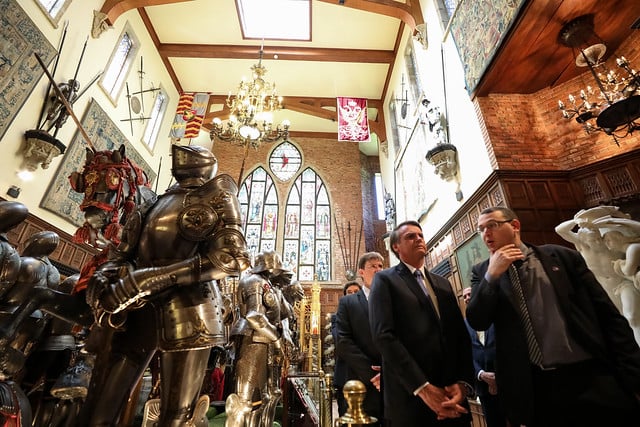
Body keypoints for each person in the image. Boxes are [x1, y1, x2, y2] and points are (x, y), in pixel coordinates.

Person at [80, 144, 250, 426]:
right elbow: (123, 252)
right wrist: (106, 273)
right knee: (100, 409)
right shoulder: (153, 202)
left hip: (191, 307)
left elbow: (232, 258)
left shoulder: (218, 195)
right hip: (134, 307)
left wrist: (152, 278)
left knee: (175, 416)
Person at [467, 206, 640, 427]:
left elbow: (608, 317)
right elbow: (477, 319)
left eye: (492, 225)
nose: (485, 234)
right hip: (537, 390)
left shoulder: (561, 256)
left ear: (515, 225)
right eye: (481, 229)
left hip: (591, 378)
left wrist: (634, 377)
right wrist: (492, 275)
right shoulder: (482, 272)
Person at [369, 220, 474, 426]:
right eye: (410, 236)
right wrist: (423, 388)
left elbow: (459, 336)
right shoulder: (385, 280)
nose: (418, 238)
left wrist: (462, 383)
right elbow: (384, 336)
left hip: (451, 395)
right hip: (411, 398)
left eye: (420, 235)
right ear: (396, 247)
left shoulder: (442, 283)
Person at [555, 206, 640, 345]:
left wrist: (612, 219)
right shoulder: (583, 246)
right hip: (601, 287)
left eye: (597, 238)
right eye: (591, 239)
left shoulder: (611, 245)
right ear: (584, 240)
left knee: (632, 317)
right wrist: (577, 220)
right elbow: (560, 230)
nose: (597, 241)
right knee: (615, 321)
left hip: (623, 283)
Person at [225, 251, 292, 427]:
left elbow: (283, 314)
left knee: (267, 397)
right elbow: (254, 316)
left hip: (264, 340)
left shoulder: (267, 283)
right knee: (246, 401)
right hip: (252, 339)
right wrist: (276, 340)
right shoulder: (253, 281)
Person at [335, 252, 385, 424]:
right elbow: (343, 342)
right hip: (360, 381)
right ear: (361, 272)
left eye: (380, 266)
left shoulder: (392, 299)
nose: (378, 270)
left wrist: (387, 371)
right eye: (373, 266)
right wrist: (373, 374)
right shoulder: (348, 303)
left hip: (391, 382)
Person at [461, 287, 507, 427]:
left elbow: (505, 346)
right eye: (464, 296)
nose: (467, 297)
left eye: (470, 294)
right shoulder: (464, 324)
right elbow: (465, 353)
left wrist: (497, 377)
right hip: (482, 386)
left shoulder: (493, 316)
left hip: (504, 382)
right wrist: (481, 374)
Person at [331, 280, 361, 416]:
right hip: (345, 375)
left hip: (369, 378)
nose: (353, 295)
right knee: (346, 415)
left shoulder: (371, 313)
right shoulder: (337, 318)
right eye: (349, 293)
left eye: (356, 292)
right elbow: (341, 342)